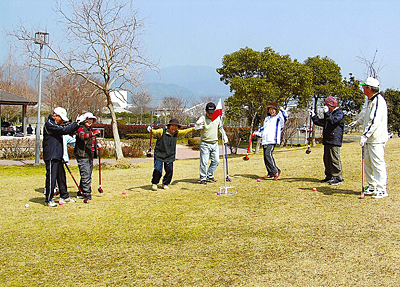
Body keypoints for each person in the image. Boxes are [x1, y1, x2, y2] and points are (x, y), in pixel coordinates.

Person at [349, 77, 389, 198]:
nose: (362, 89)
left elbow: (374, 121)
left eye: (364, 87)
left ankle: (381, 189)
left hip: (376, 139)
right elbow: (366, 116)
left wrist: (365, 136)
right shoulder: (370, 101)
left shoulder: (378, 101)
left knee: (377, 163)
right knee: (368, 164)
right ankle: (372, 186)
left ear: (369, 88)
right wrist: (357, 122)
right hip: (369, 140)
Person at [43, 107, 80, 207]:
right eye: (61, 119)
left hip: (58, 154)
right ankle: (48, 199)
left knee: (61, 177)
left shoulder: (56, 124)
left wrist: (75, 126)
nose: (62, 121)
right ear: (56, 116)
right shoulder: (49, 124)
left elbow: (66, 129)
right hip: (51, 155)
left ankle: (64, 196)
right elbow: (64, 130)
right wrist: (76, 124)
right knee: (51, 177)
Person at [148, 118, 195, 191]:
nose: (174, 127)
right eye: (172, 125)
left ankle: (165, 183)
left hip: (169, 155)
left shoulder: (177, 133)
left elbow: (185, 131)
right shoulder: (162, 131)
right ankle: (155, 183)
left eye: (176, 126)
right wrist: (151, 130)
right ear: (169, 126)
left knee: (169, 170)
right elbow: (155, 132)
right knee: (158, 170)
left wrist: (194, 128)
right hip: (159, 154)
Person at [311, 96, 344, 185]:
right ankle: (329, 176)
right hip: (327, 139)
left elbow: (332, 121)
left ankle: (338, 177)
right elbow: (322, 122)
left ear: (330, 105)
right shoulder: (329, 113)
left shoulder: (338, 113)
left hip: (334, 139)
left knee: (334, 158)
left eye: (326, 105)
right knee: (327, 159)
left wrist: (326, 113)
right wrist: (314, 116)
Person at [253, 102, 288, 180]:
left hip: (272, 140)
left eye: (273, 109)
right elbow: (263, 129)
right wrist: (257, 133)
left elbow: (286, 117)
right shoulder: (267, 119)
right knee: (265, 157)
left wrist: (282, 110)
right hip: (265, 140)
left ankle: (275, 171)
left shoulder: (278, 118)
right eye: (270, 109)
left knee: (268, 154)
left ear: (276, 110)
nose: (271, 111)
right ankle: (270, 173)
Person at [196, 102, 228, 184]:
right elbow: (197, 124)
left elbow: (220, 127)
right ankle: (203, 178)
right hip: (205, 143)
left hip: (215, 143)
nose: (210, 115)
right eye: (208, 113)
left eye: (212, 113)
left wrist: (224, 135)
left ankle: (209, 175)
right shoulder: (203, 117)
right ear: (206, 111)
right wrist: (198, 125)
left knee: (216, 161)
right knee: (204, 161)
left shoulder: (218, 117)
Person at [74, 112, 101, 200]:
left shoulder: (90, 129)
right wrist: (93, 133)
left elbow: (92, 140)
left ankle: (81, 192)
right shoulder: (80, 129)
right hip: (82, 154)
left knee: (88, 174)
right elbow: (83, 137)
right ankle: (86, 193)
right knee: (85, 174)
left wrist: (97, 145)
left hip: (90, 155)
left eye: (91, 120)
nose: (90, 122)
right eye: (88, 120)